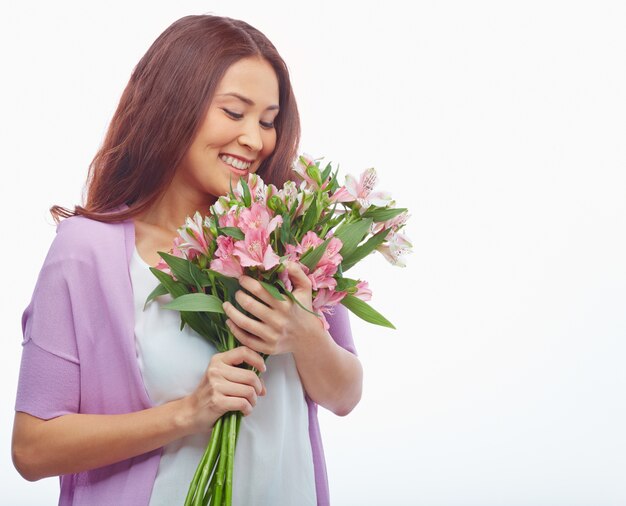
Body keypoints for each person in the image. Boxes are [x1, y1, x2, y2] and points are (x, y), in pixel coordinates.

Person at [11, 14, 362, 506]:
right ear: (175, 106)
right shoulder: (87, 251)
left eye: (267, 121)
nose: (256, 140)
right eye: (234, 112)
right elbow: (32, 447)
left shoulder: (291, 234)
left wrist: (304, 336)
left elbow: (345, 395)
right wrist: (188, 413)